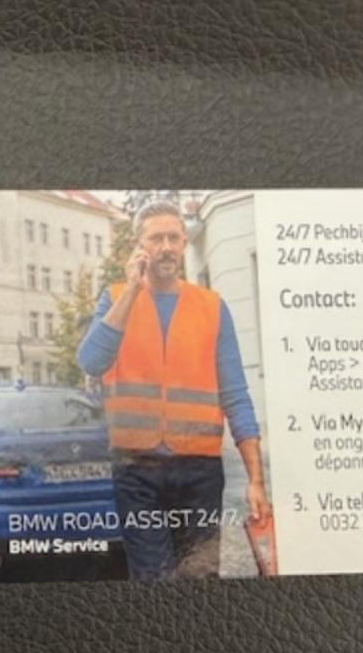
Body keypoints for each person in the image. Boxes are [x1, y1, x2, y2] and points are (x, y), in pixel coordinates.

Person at [78, 199, 271, 580]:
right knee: (152, 577)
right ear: (139, 245)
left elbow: (235, 395)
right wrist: (132, 291)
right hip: (137, 471)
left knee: (199, 577)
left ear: (184, 242)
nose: (165, 247)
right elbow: (91, 362)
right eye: (155, 239)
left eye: (172, 238)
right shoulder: (116, 299)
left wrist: (255, 480)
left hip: (199, 473)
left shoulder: (212, 307)